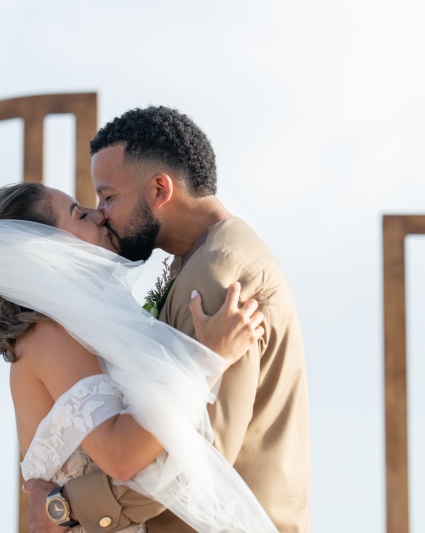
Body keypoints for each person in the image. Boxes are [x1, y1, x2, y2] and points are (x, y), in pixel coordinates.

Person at [25, 106, 311, 532]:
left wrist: (65, 506)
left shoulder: (217, 278)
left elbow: (193, 458)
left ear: (159, 189)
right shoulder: (195, 263)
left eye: (108, 197)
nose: (101, 213)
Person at [0, 182, 277, 533]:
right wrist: (209, 359)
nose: (99, 215)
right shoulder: (48, 336)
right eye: (79, 214)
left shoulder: (74, 328)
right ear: (44, 251)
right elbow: (121, 456)